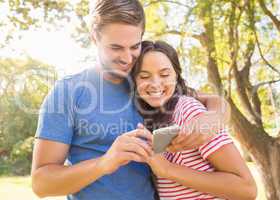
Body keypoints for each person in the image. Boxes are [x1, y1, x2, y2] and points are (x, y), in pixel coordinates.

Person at [31, 1, 230, 200]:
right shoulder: (68, 92)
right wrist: (104, 163)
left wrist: (215, 116)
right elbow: (42, 184)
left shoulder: (146, 83)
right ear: (94, 38)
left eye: (135, 46)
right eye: (116, 48)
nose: (127, 59)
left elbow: (210, 100)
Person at [131, 40, 257, 200]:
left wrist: (167, 169)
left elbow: (246, 189)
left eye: (164, 74)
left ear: (176, 76)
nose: (155, 84)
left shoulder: (188, 110)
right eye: (144, 76)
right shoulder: (152, 116)